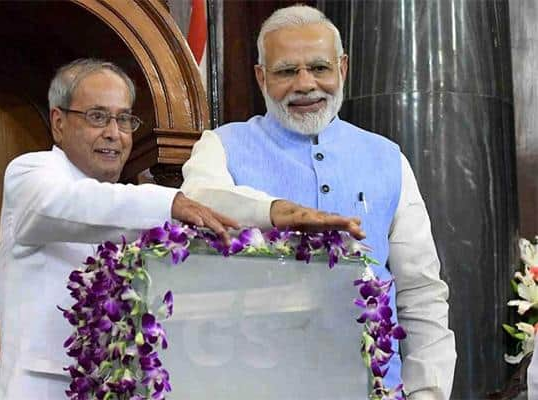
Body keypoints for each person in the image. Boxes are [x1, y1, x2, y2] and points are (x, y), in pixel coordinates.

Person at [0, 58, 365, 399]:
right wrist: (172, 204)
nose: (114, 133)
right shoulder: (32, 174)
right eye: (97, 117)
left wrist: (273, 213)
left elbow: (202, 210)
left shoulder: (133, 200)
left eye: (124, 120)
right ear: (59, 122)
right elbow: (75, 203)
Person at [181, 5, 456, 400]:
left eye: (320, 68)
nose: (306, 84)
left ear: (342, 69)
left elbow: (420, 292)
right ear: (261, 77)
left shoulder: (388, 158)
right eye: (286, 71)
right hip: (253, 385)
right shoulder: (222, 146)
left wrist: (427, 392)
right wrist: (274, 212)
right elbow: (200, 201)